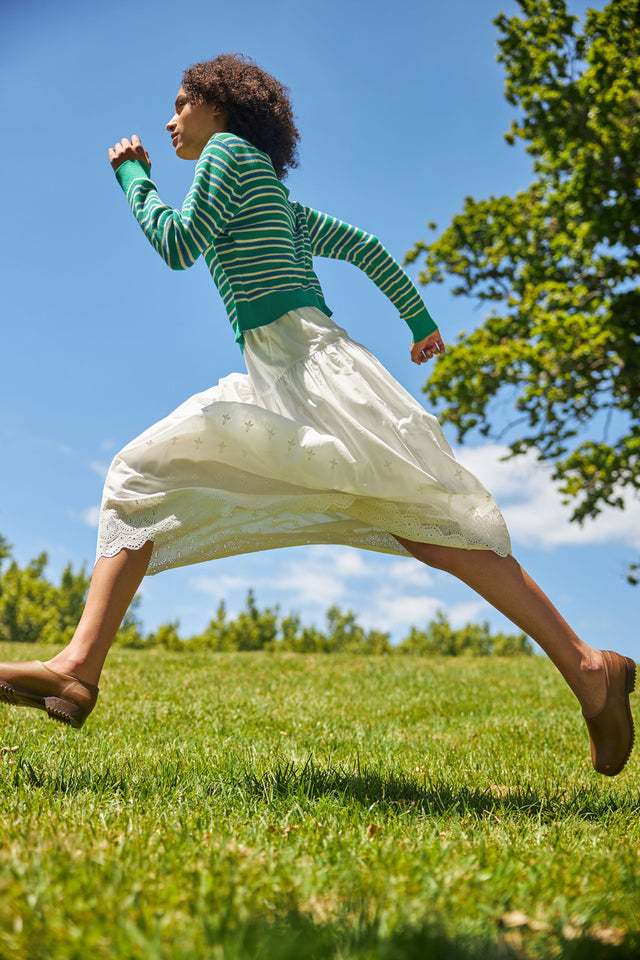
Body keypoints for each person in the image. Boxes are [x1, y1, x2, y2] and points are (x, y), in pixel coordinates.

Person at [0, 55, 634, 776]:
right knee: (148, 476)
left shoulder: (229, 155)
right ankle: (78, 669)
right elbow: (364, 247)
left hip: (313, 371)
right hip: (282, 373)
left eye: (182, 103)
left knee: (430, 526)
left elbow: (178, 244)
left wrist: (133, 175)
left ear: (222, 107)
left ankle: (589, 669)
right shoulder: (271, 194)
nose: (171, 120)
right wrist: (419, 322)